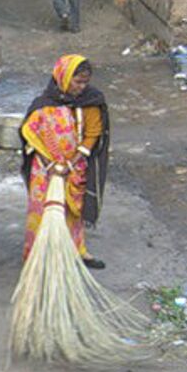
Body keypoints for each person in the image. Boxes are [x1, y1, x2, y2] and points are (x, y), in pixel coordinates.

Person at [20, 54, 109, 269]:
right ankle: (38, 258)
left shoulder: (90, 102)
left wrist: (71, 163)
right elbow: (30, 134)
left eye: (84, 82)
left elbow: (93, 133)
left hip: (74, 167)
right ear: (63, 77)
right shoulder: (43, 104)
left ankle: (77, 252)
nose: (81, 87)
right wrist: (49, 164)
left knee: (73, 211)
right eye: (77, 81)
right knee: (42, 211)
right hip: (45, 169)